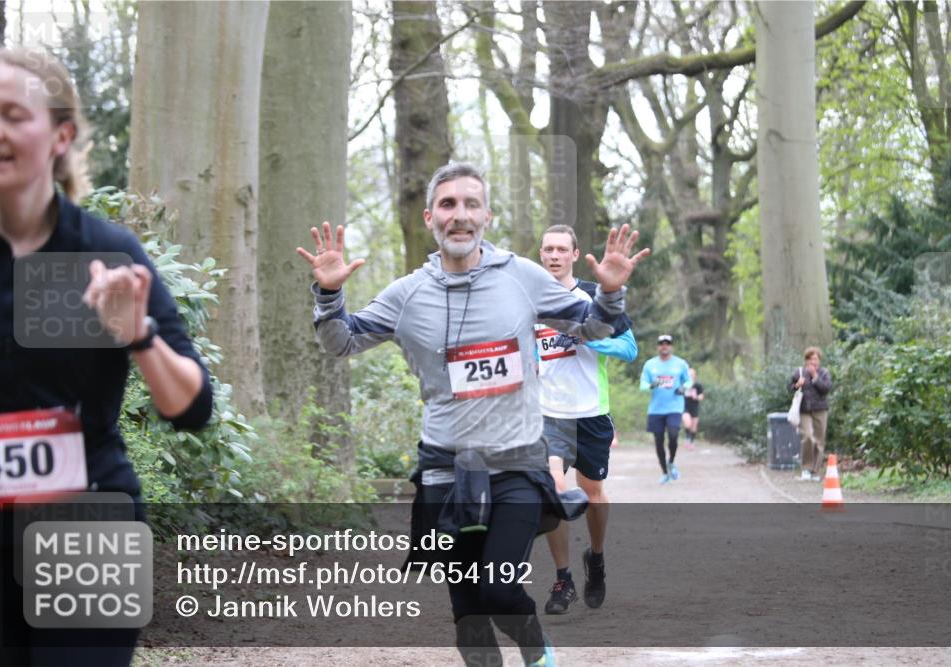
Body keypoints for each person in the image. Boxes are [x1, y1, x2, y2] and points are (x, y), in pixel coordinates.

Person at [296, 162, 649, 667]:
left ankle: (536, 650)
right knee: (469, 616)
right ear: (429, 219)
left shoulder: (523, 277)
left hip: (518, 467)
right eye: (447, 204)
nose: (459, 215)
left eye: (470, 204)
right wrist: (329, 294)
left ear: (486, 215)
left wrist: (609, 292)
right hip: (446, 469)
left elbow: (594, 327)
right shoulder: (407, 293)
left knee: (499, 591)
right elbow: (341, 341)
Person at [0, 48, 213, 666]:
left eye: (11, 114)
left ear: (60, 134)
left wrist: (138, 335)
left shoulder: (105, 252)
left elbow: (192, 408)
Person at [534, 225, 638, 615]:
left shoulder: (594, 298)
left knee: (593, 495)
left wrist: (587, 336)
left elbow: (629, 348)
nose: (555, 255)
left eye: (562, 249)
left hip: (591, 413)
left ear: (575, 255)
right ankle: (563, 579)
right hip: (549, 416)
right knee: (555, 494)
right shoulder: (531, 302)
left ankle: (595, 558)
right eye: (549, 249)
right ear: (542, 255)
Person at [639, 335, 691, 484]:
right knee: (659, 441)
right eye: (661, 343)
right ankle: (664, 472)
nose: (664, 346)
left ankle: (671, 461)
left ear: (671, 346)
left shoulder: (680, 363)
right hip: (656, 409)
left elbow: (688, 380)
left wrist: (683, 388)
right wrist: (651, 386)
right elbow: (642, 385)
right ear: (657, 346)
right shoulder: (650, 364)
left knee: (674, 434)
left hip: (675, 407)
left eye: (667, 343)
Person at [788, 347, 832, 481]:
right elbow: (789, 388)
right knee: (807, 436)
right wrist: (796, 385)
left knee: (819, 440)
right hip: (804, 410)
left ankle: (815, 471)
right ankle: (806, 468)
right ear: (806, 360)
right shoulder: (799, 372)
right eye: (811, 359)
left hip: (820, 409)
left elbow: (826, 389)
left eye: (816, 359)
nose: (814, 362)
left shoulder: (824, 373)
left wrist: (815, 377)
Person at [682, 368, 704, 447]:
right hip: (684, 406)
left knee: (694, 426)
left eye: (692, 374)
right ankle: (687, 439)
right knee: (688, 423)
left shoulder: (698, 385)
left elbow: (701, 396)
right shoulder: (683, 384)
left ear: (695, 376)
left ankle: (691, 441)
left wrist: (696, 397)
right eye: (689, 375)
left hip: (694, 407)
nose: (690, 376)